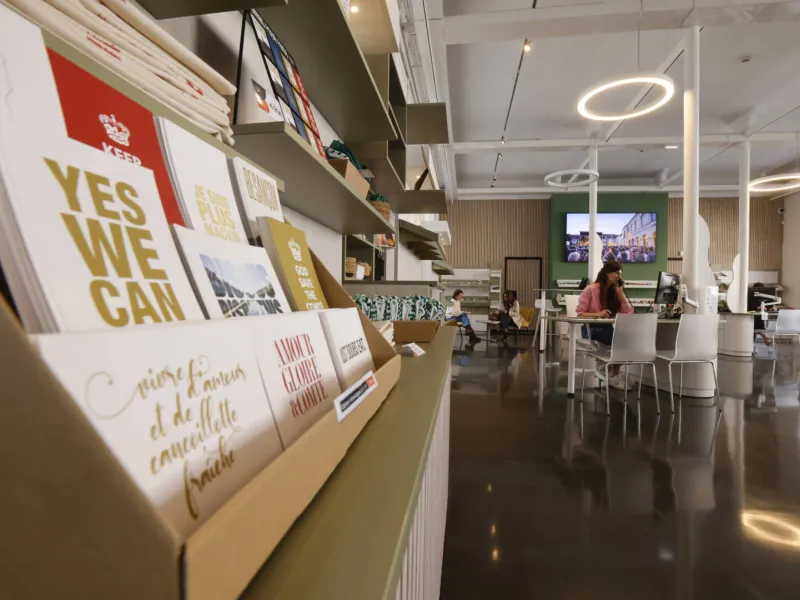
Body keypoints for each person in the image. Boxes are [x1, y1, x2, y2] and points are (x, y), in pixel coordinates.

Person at [576, 261, 634, 390]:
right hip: (592, 328)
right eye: (616, 273)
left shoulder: (615, 290)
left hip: (609, 329)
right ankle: (615, 374)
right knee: (621, 341)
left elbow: (628, 312)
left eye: (620, 274)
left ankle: (611, 367)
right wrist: (598, 314)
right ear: (607, 273)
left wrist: (620, 294)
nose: (619, 277)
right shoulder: (590, 289)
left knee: (632, 340)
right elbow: (580, 314)